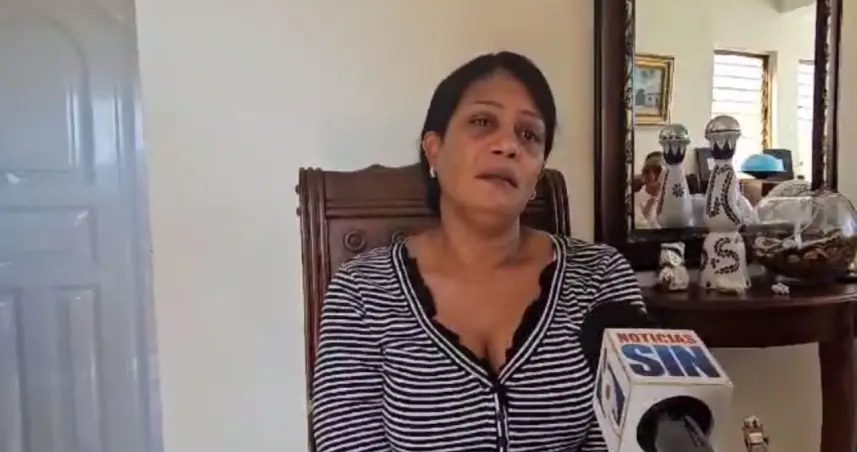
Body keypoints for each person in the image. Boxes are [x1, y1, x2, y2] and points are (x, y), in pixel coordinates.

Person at [310, 51, 645, 452]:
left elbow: (624, 438)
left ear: (537, 173)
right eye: (482, 122)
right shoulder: (361, 291)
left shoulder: (601, 277)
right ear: (434, 150)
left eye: (529, 135)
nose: (508, 145)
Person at [634, 151, 665, 228]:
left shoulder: (671, 195)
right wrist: (654, 198)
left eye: (657, 171)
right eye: (647, 170)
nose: (651, 174)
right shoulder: (634, 199)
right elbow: (641, 226)